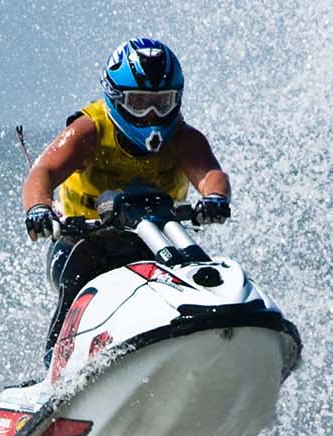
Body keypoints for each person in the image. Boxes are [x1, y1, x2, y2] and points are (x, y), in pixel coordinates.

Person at [18, 37, 234, 353]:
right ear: (115, 98)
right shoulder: (89, 130)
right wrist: (38, 207)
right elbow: (43, 172)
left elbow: (210, 175)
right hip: (83, 241)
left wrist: (215, 199)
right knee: (79, 272)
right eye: (138, 102)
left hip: (154, 239)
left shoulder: (184, 138)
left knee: (189, 271)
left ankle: (212, 332)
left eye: (162, 103)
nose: (150, 115)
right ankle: (56, 371)